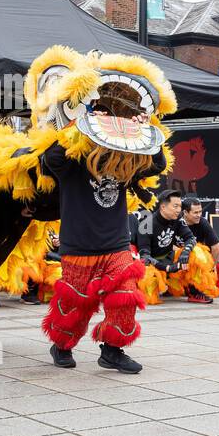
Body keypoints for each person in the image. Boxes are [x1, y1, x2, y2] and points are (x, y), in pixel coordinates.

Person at [40, 134, 166, 375]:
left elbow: (157, 163)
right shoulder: (71, 161)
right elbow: (50, 157)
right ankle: (62, 347)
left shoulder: (124, 161)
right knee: (75, 304)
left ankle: (112, 351)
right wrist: (79, 123)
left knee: (126, 296)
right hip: (79, 247)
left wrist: (144, 129)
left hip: (117, 246)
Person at [136, 190, 216, 305]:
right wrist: (167, 268)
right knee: (148, 288)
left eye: (180, 206)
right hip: (154, 265)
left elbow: (191, 238)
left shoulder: (177, 219)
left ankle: (193, 291)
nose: (179, 210)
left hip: (170, 259)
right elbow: (145, 257)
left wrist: (185, 253)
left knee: (197, 251)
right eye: (175, 206)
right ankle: (164, 287)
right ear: (163, 207)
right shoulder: (147, 224)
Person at [182, 197, 219, 264]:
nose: (199, 215)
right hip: (177, 258)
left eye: (200, 212)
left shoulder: (203, 222)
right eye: (195, 212)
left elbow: (217, 247)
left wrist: (211, 267)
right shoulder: (176, 220)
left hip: (197, 259)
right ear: (185, 212)